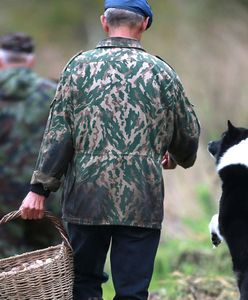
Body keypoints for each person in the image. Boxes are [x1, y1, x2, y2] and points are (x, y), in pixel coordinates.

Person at [20, 1, 201, 299]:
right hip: (141, 199)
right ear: (143, 24)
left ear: (104, 21)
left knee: (82, 285)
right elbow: (189, 135)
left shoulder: (77, 68)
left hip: (86, 200)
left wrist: (39, 189)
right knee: (132, 291)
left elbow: (58, 135)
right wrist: (179, 156)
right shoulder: (162, 72)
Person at [0, 32, 58, 257]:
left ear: (1, 61)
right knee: (49, 263)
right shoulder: (54, 93)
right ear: (31, 61)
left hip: (2, 198)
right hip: (45, 196)